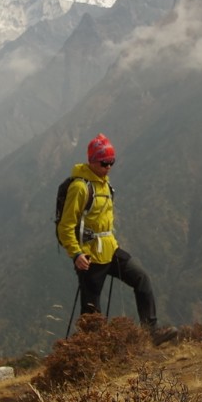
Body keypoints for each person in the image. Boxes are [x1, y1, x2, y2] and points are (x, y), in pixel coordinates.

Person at [58, 133, 158, 330]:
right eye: (104, 163)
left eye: (112, 162)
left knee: (141, 279)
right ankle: (90, 353)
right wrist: (76, 253)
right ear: (93, 161)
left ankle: (151, 331)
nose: (108, 167)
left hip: (110, 250)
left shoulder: (104, 184)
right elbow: (65, 226)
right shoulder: (80, 187)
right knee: (91, 312)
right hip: (90, 257)